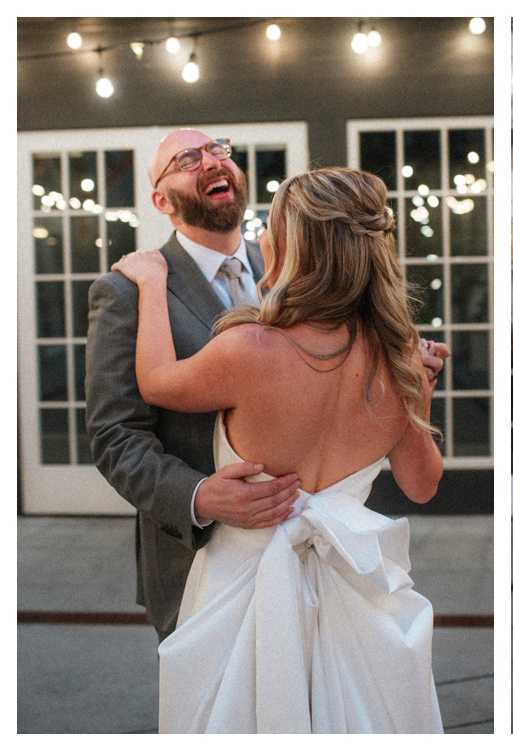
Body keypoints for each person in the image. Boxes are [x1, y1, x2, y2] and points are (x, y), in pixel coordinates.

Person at [110, 167, 447, 732]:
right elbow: (421, 483)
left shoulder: (248, 348)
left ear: (292, 245)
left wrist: (149, 284)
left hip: (243, 585)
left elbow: (156, 381)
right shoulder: (398, 357)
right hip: (357, 590)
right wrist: (420, 392)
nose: (260, 234)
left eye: (270, 223)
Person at [87, 129, 303, 642]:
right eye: (187, 159)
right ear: (162, 200)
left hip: (303, 541)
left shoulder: (294, 268)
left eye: (218, 151)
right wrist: (200, 496)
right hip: (197, 558)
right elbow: (115, 436)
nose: (210, 162)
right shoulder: (126, 292)